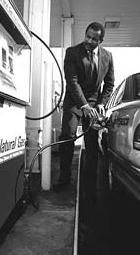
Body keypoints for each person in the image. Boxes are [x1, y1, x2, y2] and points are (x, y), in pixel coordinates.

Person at [53, 22, 114, 201]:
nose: (89, 40)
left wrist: (102, 103)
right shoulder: (72, 52)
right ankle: (64, 179)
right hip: (74, 102)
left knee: (92, 144)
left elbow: (109, 84)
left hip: (95, 105)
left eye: (94, 39)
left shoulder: (108, 57)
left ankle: (90, 185)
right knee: (67, 136)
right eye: (87, 36)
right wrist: (83, 106)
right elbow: (72, 81)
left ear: (100, 40)